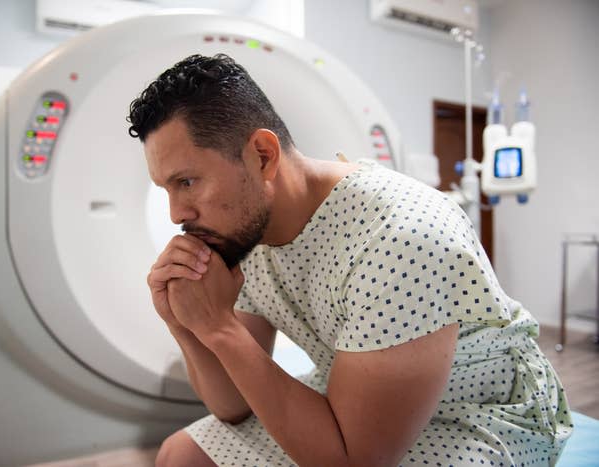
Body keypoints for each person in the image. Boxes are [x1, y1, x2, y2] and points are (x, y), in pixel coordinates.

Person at [127, 54, 572, 467]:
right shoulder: (248, 234)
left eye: (187, 182)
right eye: (167, 188)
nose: (176, 214)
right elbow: (232, 406)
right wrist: (186, 324)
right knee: (180, 455)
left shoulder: (400, 238)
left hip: (479, 411)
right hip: (359, 392)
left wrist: (219, 328)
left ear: (262, 156)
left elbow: (353, 462)